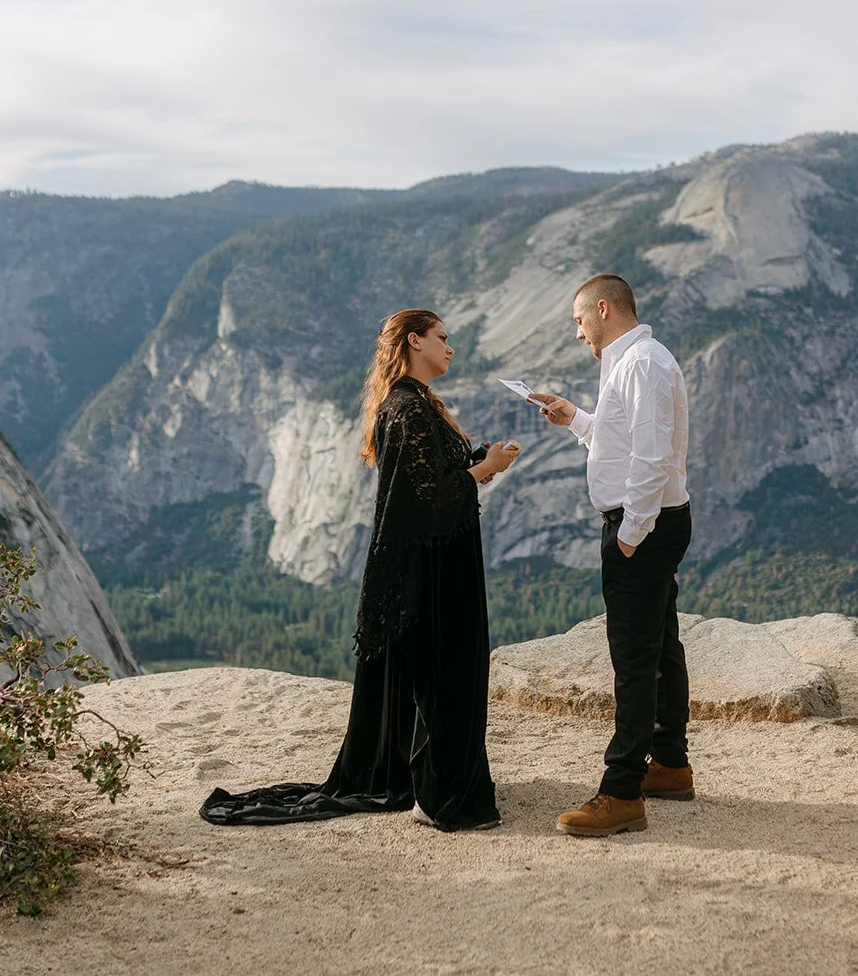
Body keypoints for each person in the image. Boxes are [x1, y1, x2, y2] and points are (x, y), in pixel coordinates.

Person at [200, 309, 519, 832]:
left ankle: (433, 784)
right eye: (442, 338)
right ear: (414, 341)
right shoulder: (407, 408)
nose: (450, 348)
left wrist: (480, 460)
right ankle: (443, 798)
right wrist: (486, 468)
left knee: (445, 676)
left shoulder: (416, 403)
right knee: (447, 677)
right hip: (435, 573)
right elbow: (431, 500)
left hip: (439, 562)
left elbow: (432, 485)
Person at [528, 274, 692, 837]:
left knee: (633, 655)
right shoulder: (632, 361)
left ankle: (622, 791)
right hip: (650, 523)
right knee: (661, 643)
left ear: (603, 309)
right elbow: (623, 442)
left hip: (642, 526)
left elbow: (651, 456)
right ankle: (670, 763)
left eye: (579, 321)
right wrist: (575, 418)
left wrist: (631, 533)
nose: (578, 333)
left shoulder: (641, 363)